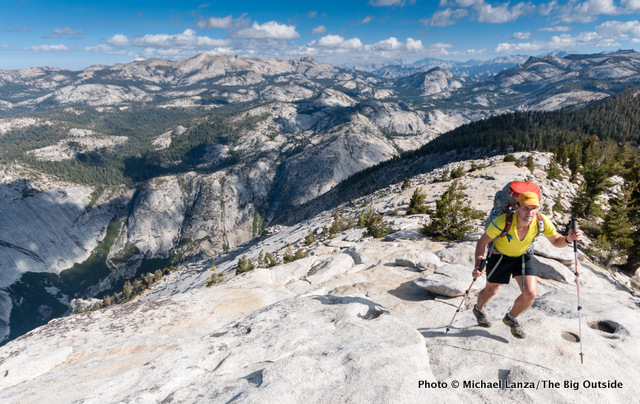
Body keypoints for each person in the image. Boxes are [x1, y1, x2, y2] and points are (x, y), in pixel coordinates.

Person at [471, 191, 582, 339]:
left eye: (534, 208)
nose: (530, 212)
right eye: (525, 208)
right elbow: (482, 242)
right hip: (499, 257)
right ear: (517, 207)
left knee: (530, 293)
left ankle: (511, 318)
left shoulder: (541, 221)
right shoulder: (502, 221)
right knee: (491, 290)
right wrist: (478, 263)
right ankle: (478, 309)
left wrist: (569, 238)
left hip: (523, 257)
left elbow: (556, 242)